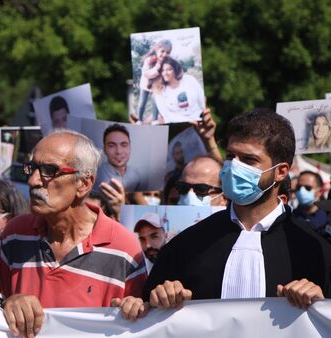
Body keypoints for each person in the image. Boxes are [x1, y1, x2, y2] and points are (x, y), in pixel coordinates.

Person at [116, 109, 331, 320]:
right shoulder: (186, 244)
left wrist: (320, 304)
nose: (234, 166)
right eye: (230, 156)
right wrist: (152, 301)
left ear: (280, 171)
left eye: (248, 160)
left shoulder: (313, 250)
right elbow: (148, 311)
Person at [0, 129, 147, 337]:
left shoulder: (124, 248)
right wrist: (8, 302)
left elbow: (141, 326)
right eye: (32, 168)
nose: (33, 181)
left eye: (49, 170)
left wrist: (136, 308)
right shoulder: (15, 234)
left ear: (83, 183)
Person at [152, 57, 205, 124]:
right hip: (179, 124)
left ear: (175, 70)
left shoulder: (189, 79)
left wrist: (205, 113)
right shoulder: (159, 91)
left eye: (169, 69)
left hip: (200, 118)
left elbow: (202, 97)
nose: (165, 73)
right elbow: (167, 114)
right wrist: (188, 121)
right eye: (163, 70)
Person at [94, 123, 142, 194]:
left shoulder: (135, 174)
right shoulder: (96, 175)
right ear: (104, 149)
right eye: (111, 146)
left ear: (130, 148)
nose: (118, 151)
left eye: (124, 145)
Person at [134, 39, 172, 124]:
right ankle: (139, 119)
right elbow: (146, 73)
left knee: (156, 101)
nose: (164, 54)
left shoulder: (166, 62)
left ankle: (155, 120)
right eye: (162, 51)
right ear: (156, 50)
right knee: (142, 103)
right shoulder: (149, 60)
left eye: (167, 52)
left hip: (156, 85)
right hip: (145, 84)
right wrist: (157, 68)